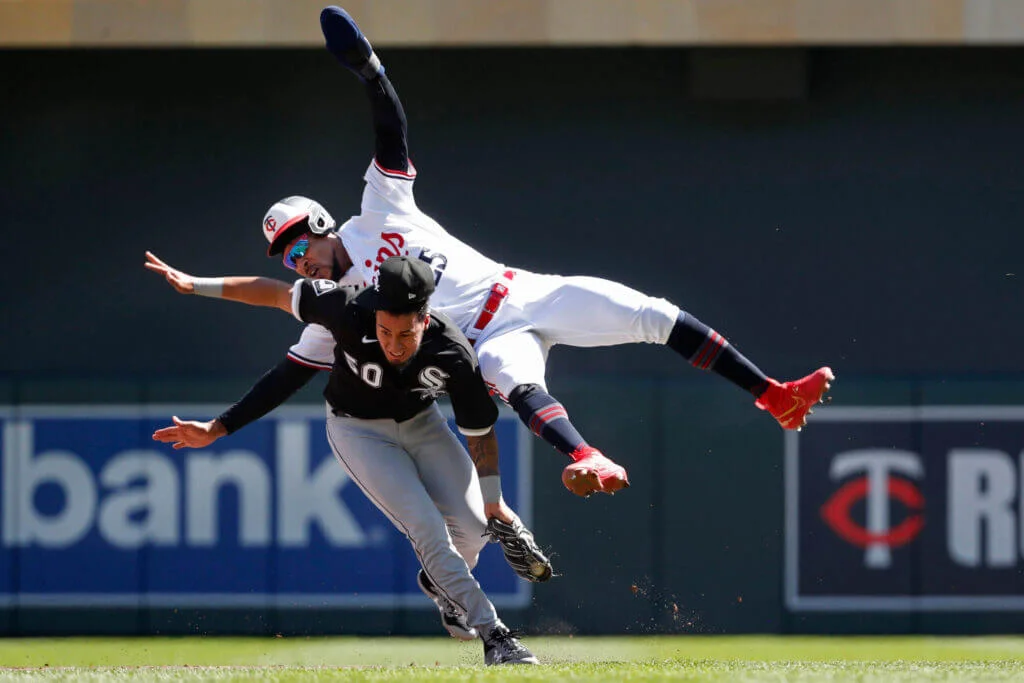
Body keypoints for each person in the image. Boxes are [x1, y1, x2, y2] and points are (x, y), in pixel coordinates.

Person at [184, 6, 834, 498]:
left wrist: (371, 71)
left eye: (300, 246)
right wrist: (221, 427)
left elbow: (391, 131)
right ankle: (587, 455)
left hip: (525, 290)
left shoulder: (375, 213)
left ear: (322, 226)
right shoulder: (345, 312)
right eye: (288, 260)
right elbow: (286, 375)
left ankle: (771, 393)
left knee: (652, 313)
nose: (300, 264)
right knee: (512, 376)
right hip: (487, 333)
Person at [148, 254, 541, 666]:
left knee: (475, 529)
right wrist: (197, 284)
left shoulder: (454, 352)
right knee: (427, 529)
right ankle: (495, 635)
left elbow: (480, 434)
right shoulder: (347, 305)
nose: (393, 344)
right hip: (358, 430)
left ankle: (439, 583)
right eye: (385, 330)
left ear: (425, 318)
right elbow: (273, 294)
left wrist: (493, 500)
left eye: (405, 333)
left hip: (422, 423)